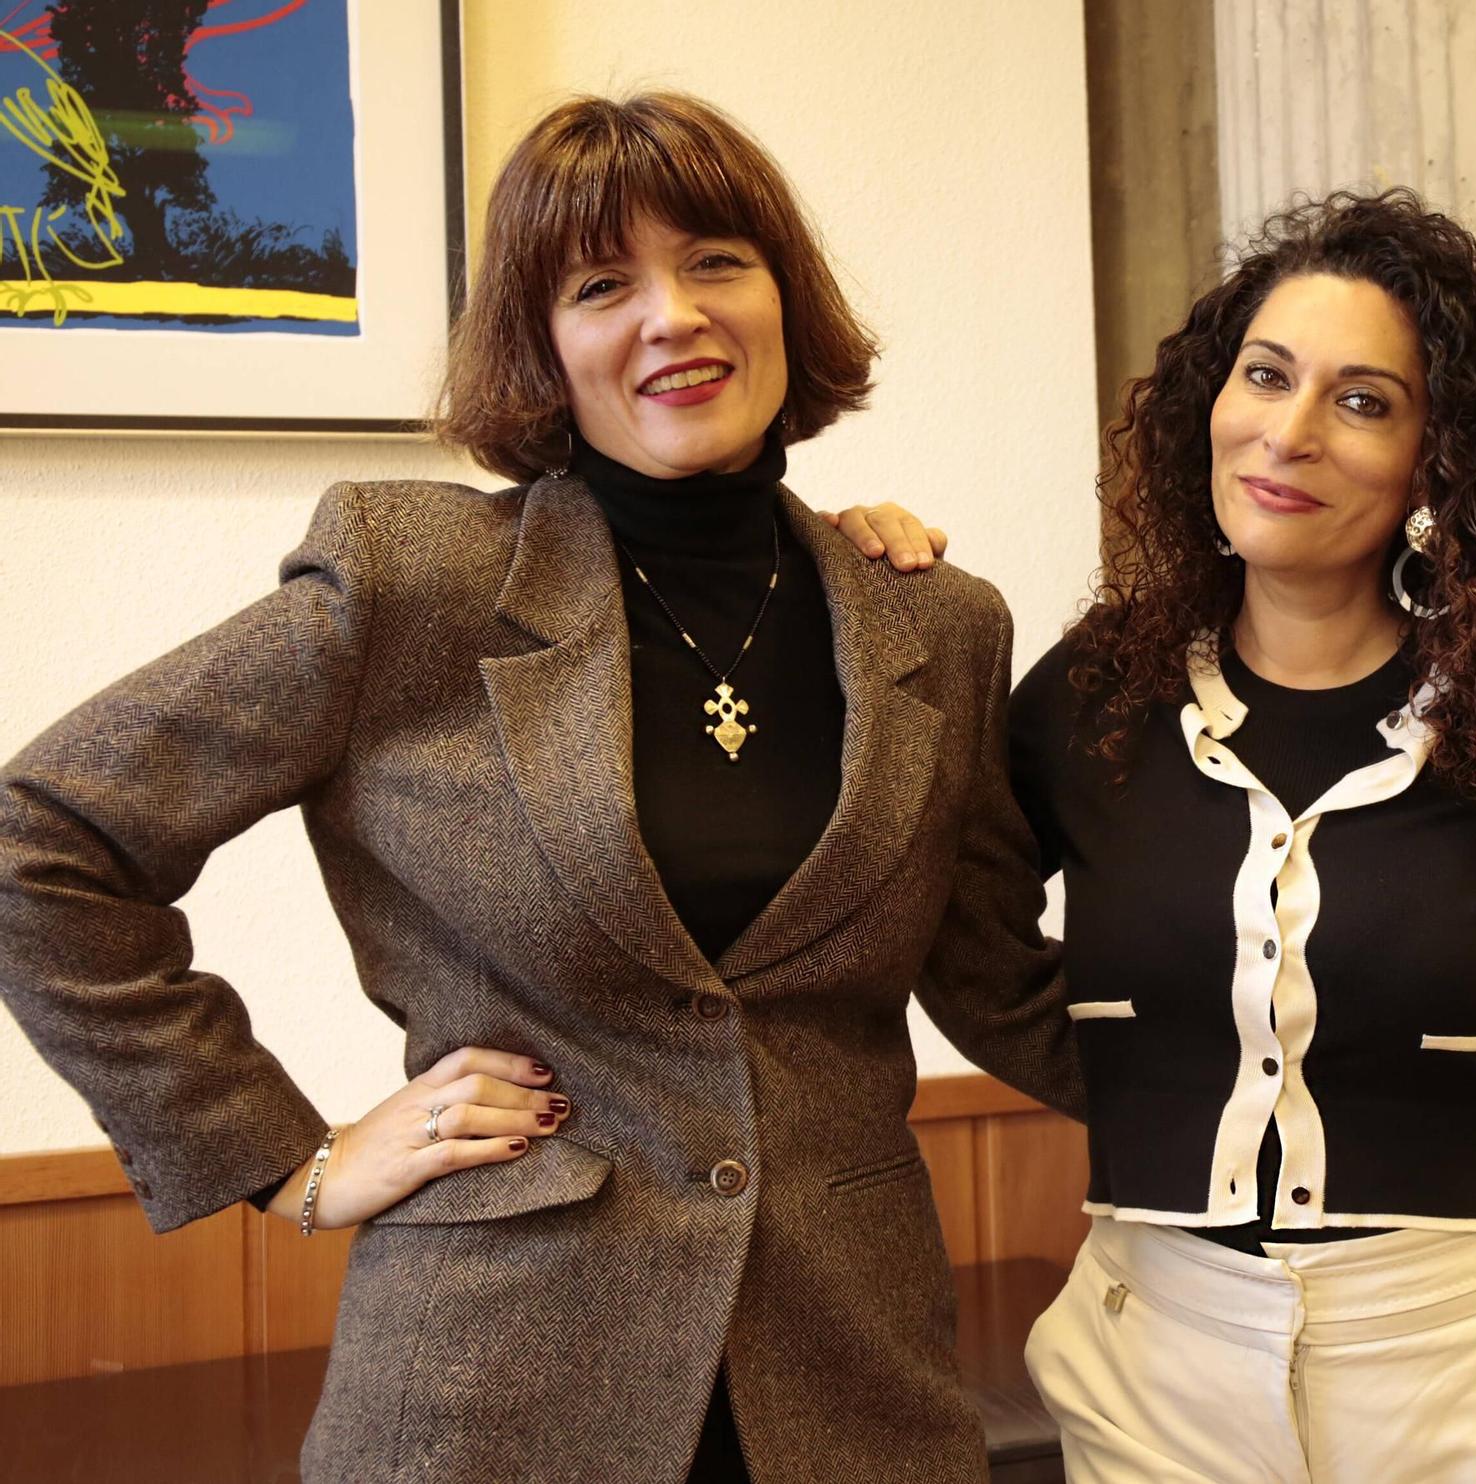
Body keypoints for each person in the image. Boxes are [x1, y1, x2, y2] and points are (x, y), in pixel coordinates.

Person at [0, 91, 1078, 1483]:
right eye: (600, 284)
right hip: (491, 1388)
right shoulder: (411, 583)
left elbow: (996, 975)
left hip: (858, 1387)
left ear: (783, 299)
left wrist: (1305, 1104)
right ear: (543, 347)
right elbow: (43, 841)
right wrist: (289, 1160)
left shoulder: (934, 622)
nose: (672, 316)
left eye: (715, 262)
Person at [866, 188, 1476, 1483]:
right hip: (1157, 1377)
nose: (1288, 433)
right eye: (1266, 376)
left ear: (1438, 462)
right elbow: (934, 908)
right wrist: (871, 596)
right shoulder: (1096, 700)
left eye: (1363, 402)